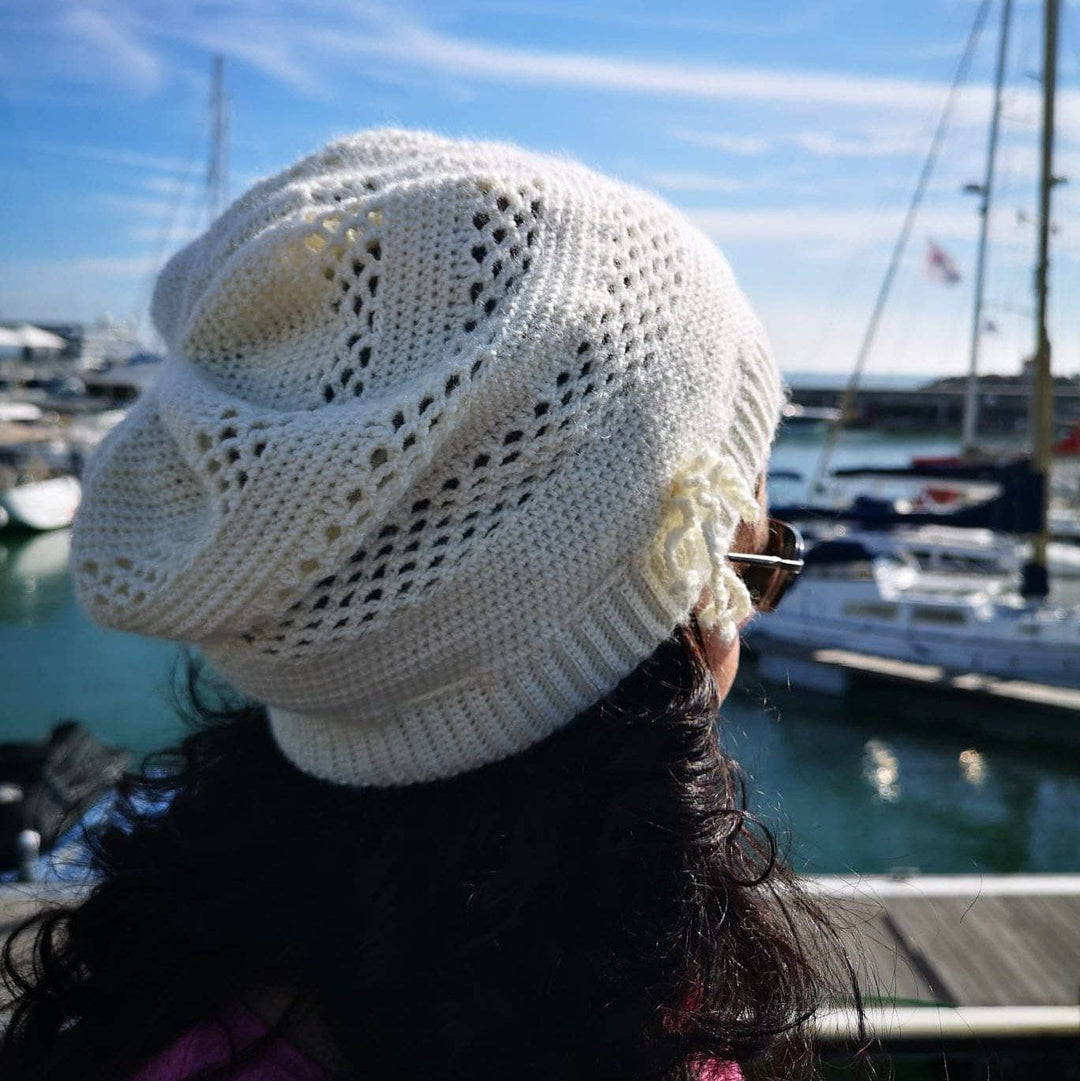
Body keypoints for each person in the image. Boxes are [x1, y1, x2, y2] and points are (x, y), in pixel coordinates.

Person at [0, 130, 854, 1080]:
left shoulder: (164, 983)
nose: (744, 632)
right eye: (754, 567)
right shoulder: (633, 1027)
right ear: (644, 637)